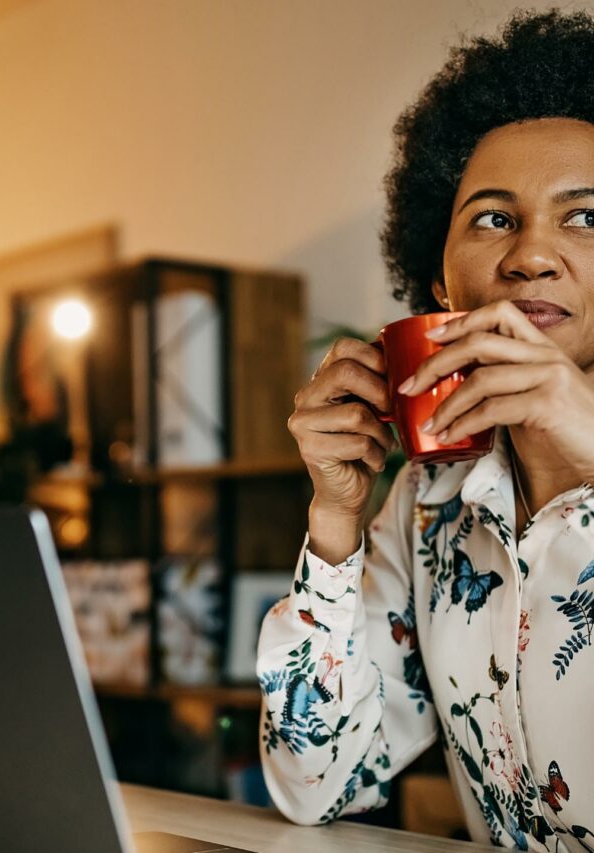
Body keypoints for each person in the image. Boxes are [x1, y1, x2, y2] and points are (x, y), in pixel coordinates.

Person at [256, 10, 594, 851]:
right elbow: (318, 785)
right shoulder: (427, 501)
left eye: (587, 216)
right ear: (441, 284)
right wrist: (335, 523)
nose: (531, 256)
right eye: (490, 218)